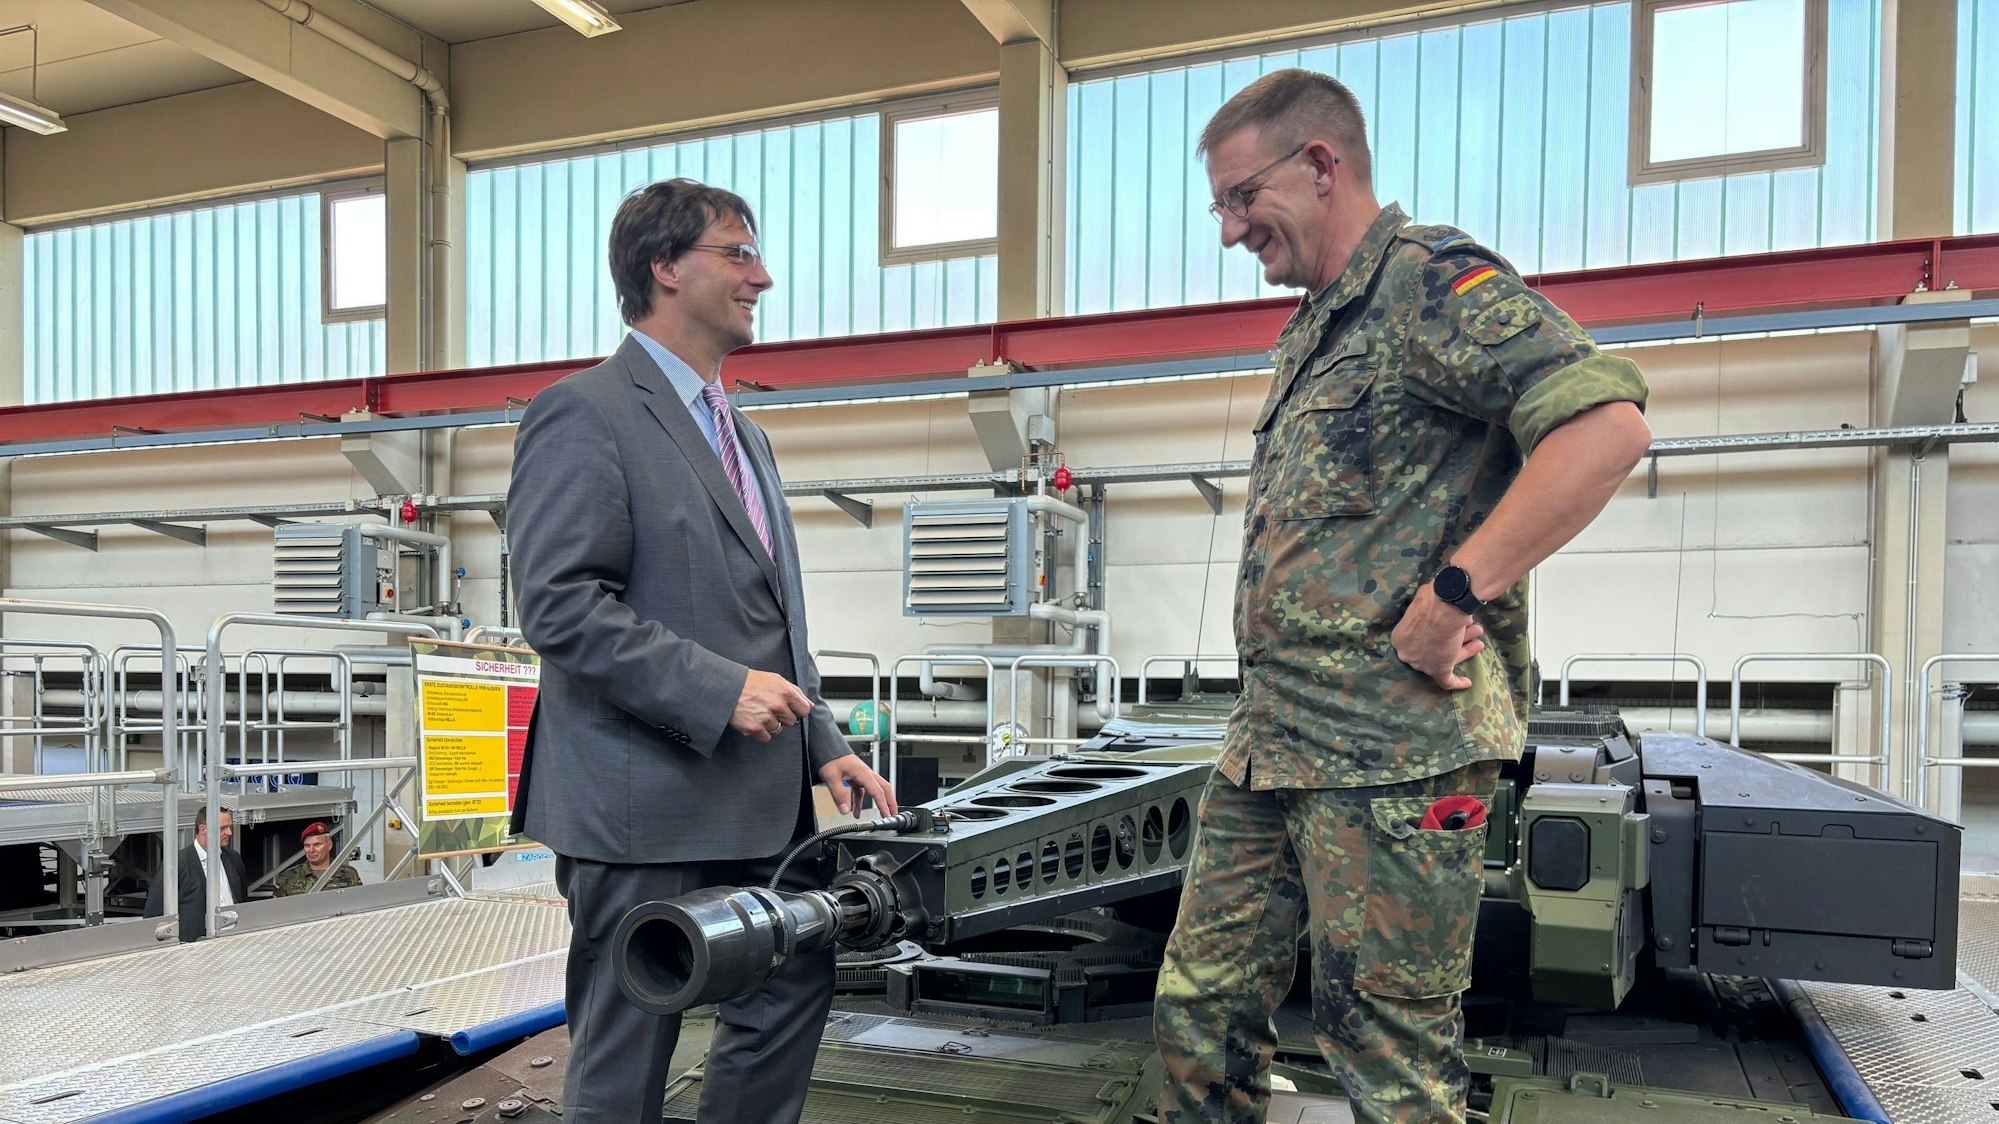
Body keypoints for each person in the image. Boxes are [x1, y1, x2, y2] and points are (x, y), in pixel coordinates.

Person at [1153, 70, 1653, 1124]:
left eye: (1243, 197)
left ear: (1321, 165)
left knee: (1387, 1052)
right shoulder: (1314, 327)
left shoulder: (1427, 282)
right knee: (1198, 1015)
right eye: (1221, 206)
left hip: (1393, 748)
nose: (1233, 227)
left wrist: (1460, 586)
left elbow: (1605, 426)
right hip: (1271, 741)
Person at [506, 177, 897, 1124]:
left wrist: (826, 745)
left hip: (760, 805)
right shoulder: (584, 412)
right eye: (737, 252)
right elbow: (558, 604)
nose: (760, 275)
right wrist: (718, 690)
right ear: (664, 268)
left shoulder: (744, 434)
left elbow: (772, 623)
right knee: (626, 1046)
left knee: (789, 993)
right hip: (642, 809)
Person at [142, 807, 248, 942]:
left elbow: (242, 900)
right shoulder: (177, 864)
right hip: (194, 951)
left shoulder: (233, 859)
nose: (229, 832)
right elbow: (153, 914)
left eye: (230, 827)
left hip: (234, 943)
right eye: (223, 828)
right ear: (203, 829)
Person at [272, 821, 362, 896]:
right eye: (307, 845)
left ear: (329, 845)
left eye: (317, 845)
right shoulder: (288, 877)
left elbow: (359, 905)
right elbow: (276, 911)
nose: (311, 850)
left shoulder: (349, 874)